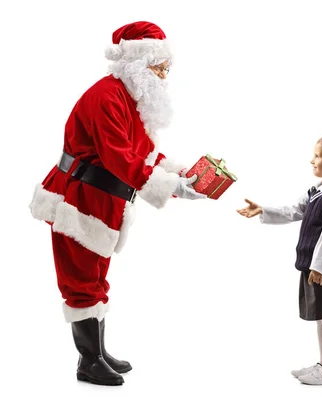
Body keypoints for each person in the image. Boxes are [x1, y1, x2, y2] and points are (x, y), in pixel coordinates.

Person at [29, 21, 206, 386]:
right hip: (77, 202)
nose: (163, 76)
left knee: (96, 277)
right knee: (81, 281)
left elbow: (143, 152)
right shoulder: (106, 97)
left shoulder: (131, 97)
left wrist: (180, 174)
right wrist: (171, 187)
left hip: (103, 203)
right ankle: (88, 361)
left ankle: (98, 352)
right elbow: (118, 159)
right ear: (138, 65)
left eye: (165, 69)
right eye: (158, 69)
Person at [236, 134, 322, 385]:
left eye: (318, 155)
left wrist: (319, 267)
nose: (312, 160)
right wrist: (263, 209)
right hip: (315, 266)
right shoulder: (319, 191)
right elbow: (295, 210)